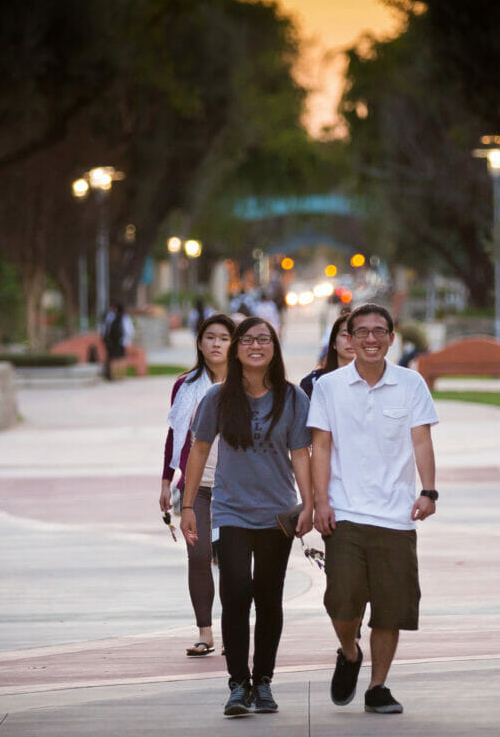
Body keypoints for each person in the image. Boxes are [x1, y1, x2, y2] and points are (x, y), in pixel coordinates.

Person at [308, 302, 439, 716]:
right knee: (342, 600)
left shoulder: (411, 384)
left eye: (378, 331)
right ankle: (349, 652)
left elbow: (420, 441)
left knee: (390, 607)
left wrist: (429, 492)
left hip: (396, 515)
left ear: (391, 338)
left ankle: (379, 686)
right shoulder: (328, 387)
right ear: (347, 338)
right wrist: (321, 501)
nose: (370, 339)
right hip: (344, 513)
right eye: (360, 331)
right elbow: (321, 447)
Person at [180, 317, 313, 717]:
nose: (256, 345)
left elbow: (301, 456)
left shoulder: (292, 398)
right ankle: (238, 684)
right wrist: (187, 506)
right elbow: (199, 452)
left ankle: (264, 682)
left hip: (277, 515)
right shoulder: (218, 398)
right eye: (248, 339)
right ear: (237, 349)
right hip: (231, 511)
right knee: (236, 594)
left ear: (275, 347)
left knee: (269, 598)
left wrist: (309, 504)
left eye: (264, 339)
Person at [159, 313, 235, 658]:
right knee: (199, 554)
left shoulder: (247, 384)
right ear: (200, 343)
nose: (216, 344)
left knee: (234, 561)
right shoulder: (186, 385)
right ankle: (205, 632)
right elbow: (175, 434)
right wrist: (166, 481)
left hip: (237, 486)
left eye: (224, 338)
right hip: (197, 485)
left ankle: (234, 630)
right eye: (210, 337)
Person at [300, 312, 354, 399]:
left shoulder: (372, 381)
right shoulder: (313, 382)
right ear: (333, 342)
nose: (350, 341)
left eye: (357, 335)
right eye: (344, 335)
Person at [101, 301, 134, 381]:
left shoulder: (122, 317)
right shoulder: (111, 317)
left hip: (118, 341)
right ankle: (115, 376)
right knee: (114, 358)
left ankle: (119, 376)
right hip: (113, 341)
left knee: (119, 358)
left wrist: (125, 341)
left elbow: (128, 330)